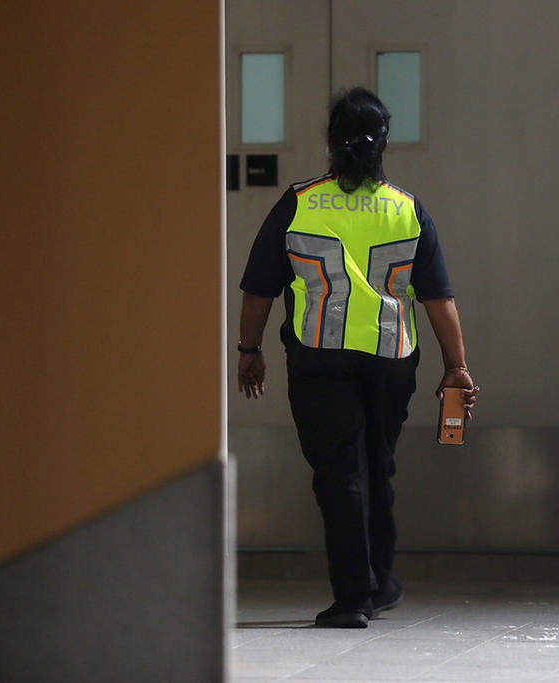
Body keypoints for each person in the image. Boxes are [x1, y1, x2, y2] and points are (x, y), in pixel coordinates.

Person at [237, 87, 478, 628]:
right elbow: (439, 298)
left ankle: (354, 597)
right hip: (393, 357)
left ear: (328, 139)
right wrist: (456, 365)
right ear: (385, 141)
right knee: (377, 465)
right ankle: (380, 581)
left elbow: (259, 290)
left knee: (339, 472)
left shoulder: (298, 203)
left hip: (319, 356)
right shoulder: (408, 209)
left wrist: (248, 350)